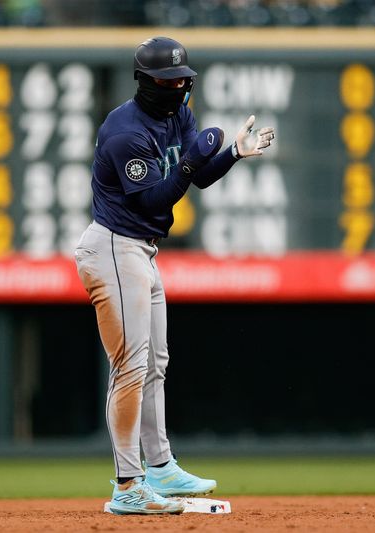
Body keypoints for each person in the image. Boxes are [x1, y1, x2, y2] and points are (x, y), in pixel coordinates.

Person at [74, 36, 275, 515]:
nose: (180, 86)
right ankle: (127, 485)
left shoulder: (177, 112)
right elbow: (153, 199)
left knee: (156, 363)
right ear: (146, 82)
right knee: (130, 367)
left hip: (141, 251)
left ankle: (161, 466)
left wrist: (232, 156)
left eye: (184, 79)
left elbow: (200, 175)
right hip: (114, 248)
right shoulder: (125, 131)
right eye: (170, 81)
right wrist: (190, 161)